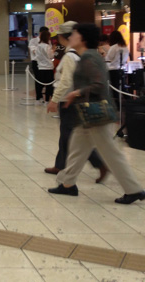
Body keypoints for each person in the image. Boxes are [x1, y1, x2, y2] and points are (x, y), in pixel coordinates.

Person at [48, 23, 145, 204]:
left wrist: (76, 93)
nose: (71, 37)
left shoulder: (89, 58)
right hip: (88, 115)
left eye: (75, 34)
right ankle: (67, 184)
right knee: (77, 150)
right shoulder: (87, 56)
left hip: (97, 115)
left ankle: (134, 190)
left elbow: (99, 85)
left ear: (83, 38)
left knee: (111, 153)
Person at [45, 21, 107, 182]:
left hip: (69, 100)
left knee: (71, 135)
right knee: (68, 134)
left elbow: (65, 81)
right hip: (75, 99)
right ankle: (60, 165)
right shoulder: (80, 55)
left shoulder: (69, 56)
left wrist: (54, 99)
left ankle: (99, 163)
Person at [106, 30, 129, 106]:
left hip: (113, 70)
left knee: (114, 88)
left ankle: (117, 105)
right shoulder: (125, 47)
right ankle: (129, 103)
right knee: (123, 88)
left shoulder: (114, 47)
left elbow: (108, 58)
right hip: (122, 69)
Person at [29, 26, 49, 102]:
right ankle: (39, 96)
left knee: (47, 80)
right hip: (36, 62)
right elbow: (34, 51)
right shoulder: (33, 41)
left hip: (47, 63)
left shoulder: (48, 42)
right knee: (38, 79)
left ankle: (47, 97)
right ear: (40, 33)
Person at [35, 29, 54, 104]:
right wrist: (53, 51)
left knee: (39, 84)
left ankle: (38, 99)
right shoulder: (47, 46)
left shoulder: (38, 46)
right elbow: (51, 56)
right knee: (49, 85)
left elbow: (37, 56)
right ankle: (47, 100)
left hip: (40, 67)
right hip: (48, 67)